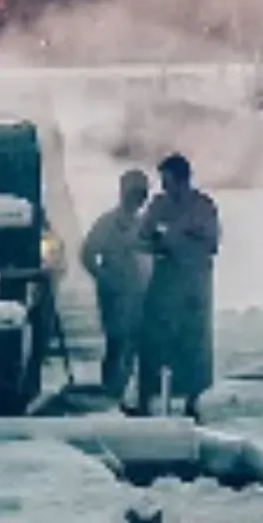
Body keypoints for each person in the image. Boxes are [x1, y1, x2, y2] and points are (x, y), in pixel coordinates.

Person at [137, 152, 220, 419]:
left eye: (168, 180)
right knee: (153, 341)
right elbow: (142, 237)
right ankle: (145, 399)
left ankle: (193, 401)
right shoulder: (158, 206)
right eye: (162, 181)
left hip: (194, 284)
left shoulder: (203, 207)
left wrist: (180, 240)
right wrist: (157, 242)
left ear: (183, 180)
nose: (164, 186)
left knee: (193, 343)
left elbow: (212, 243)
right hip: (164, 282)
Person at [79, 168, 151, 403]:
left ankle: (133, 394)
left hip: (139, 293)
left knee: (137, 345)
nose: (137, 199)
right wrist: (102, 278)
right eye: (133, 193)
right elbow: (88, 253)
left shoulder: (144, 224)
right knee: (116, 343)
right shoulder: (108, 223)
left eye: (141, 195)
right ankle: (110, 392)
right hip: (115, 293)